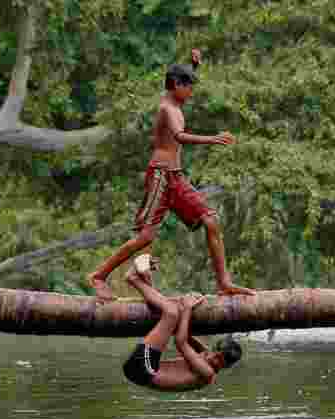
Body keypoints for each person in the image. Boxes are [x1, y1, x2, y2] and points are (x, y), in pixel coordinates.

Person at [86, 48, 254, 303]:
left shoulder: (174, 97)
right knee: (145, 237)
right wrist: (213, 138)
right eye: (188, 87)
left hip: (175, 177)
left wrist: (192, 66)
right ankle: (98, 276)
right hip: (161, 176)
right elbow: (179, 136)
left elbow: (176, 80)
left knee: (210, 221)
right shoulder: (168, 108)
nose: (191, 92)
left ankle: (224, 283)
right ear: (176, 85)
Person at [122, 255, 242, 392]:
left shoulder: (207, 373)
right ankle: (145, 277)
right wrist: (187, 309)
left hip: (142, 370)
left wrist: (187, 308)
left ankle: (133, 278)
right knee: (171, 314)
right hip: (145, 367)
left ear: (224, 364)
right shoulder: (207, 355)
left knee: (171, 312)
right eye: (214, 352)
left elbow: (180, 342)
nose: (210, 355)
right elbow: (185, 336)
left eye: (217, 357)